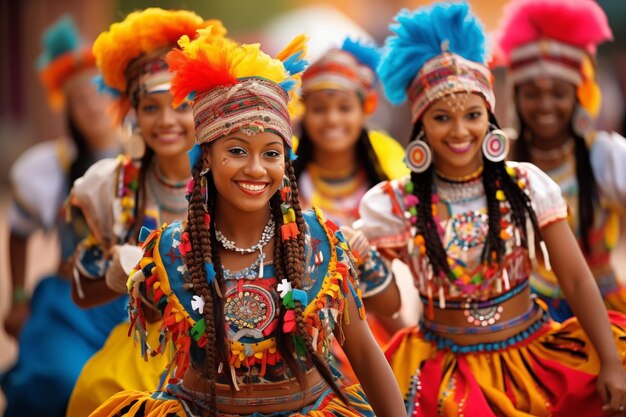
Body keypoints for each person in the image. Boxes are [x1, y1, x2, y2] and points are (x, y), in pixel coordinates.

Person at [90, 27, 406, 417]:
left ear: (285, 162)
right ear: (205, 158)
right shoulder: (170, 250)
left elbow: (363, 352)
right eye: (237, 151)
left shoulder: (320, 243)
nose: (256, 169)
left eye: (271, 153)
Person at [355, 2, 626, 415]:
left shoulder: (525, 183)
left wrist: (609, 363)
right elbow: (390, 306)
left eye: (473, 115)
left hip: (530, 352)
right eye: (442, 117)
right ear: (420, 125)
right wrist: (364, 260)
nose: (460, 130)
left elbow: (575, 279)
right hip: (441, 370)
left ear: (490, 119)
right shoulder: (392, 202)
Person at [65, 9, 219, 417]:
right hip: (143, 351)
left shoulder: (233, 175)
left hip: (231, 350)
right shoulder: (114, 186)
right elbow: (81, 290)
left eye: (178, 106)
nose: (165, 121)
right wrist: (117, 275)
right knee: (96, 395)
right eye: (151, 108)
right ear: (133, 114)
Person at [0, 16, 122, 417]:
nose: (92, 106)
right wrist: (18, 298)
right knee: (62, 382)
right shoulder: (47, 167)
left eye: (99, 94)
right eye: (80, 100)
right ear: (67, 109)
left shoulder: (147, 154)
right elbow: (19, 233)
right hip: (69, 300)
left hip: (132, 302)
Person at [497, 0, 626, 322]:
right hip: (524, 318)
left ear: (578, 97)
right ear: (516, 98)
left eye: (558, 93)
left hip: (603, 313)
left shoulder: (606, 155)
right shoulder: (501, 159)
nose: (545, 105)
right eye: (532, 94)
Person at [296, 37, 409, 383]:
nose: (332, 119)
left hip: (384, 311)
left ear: (367, 107)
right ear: (305, 112)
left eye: (344, 108)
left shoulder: (389, 163)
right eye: (319, 108)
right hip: (309, 324)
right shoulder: (281, 170)